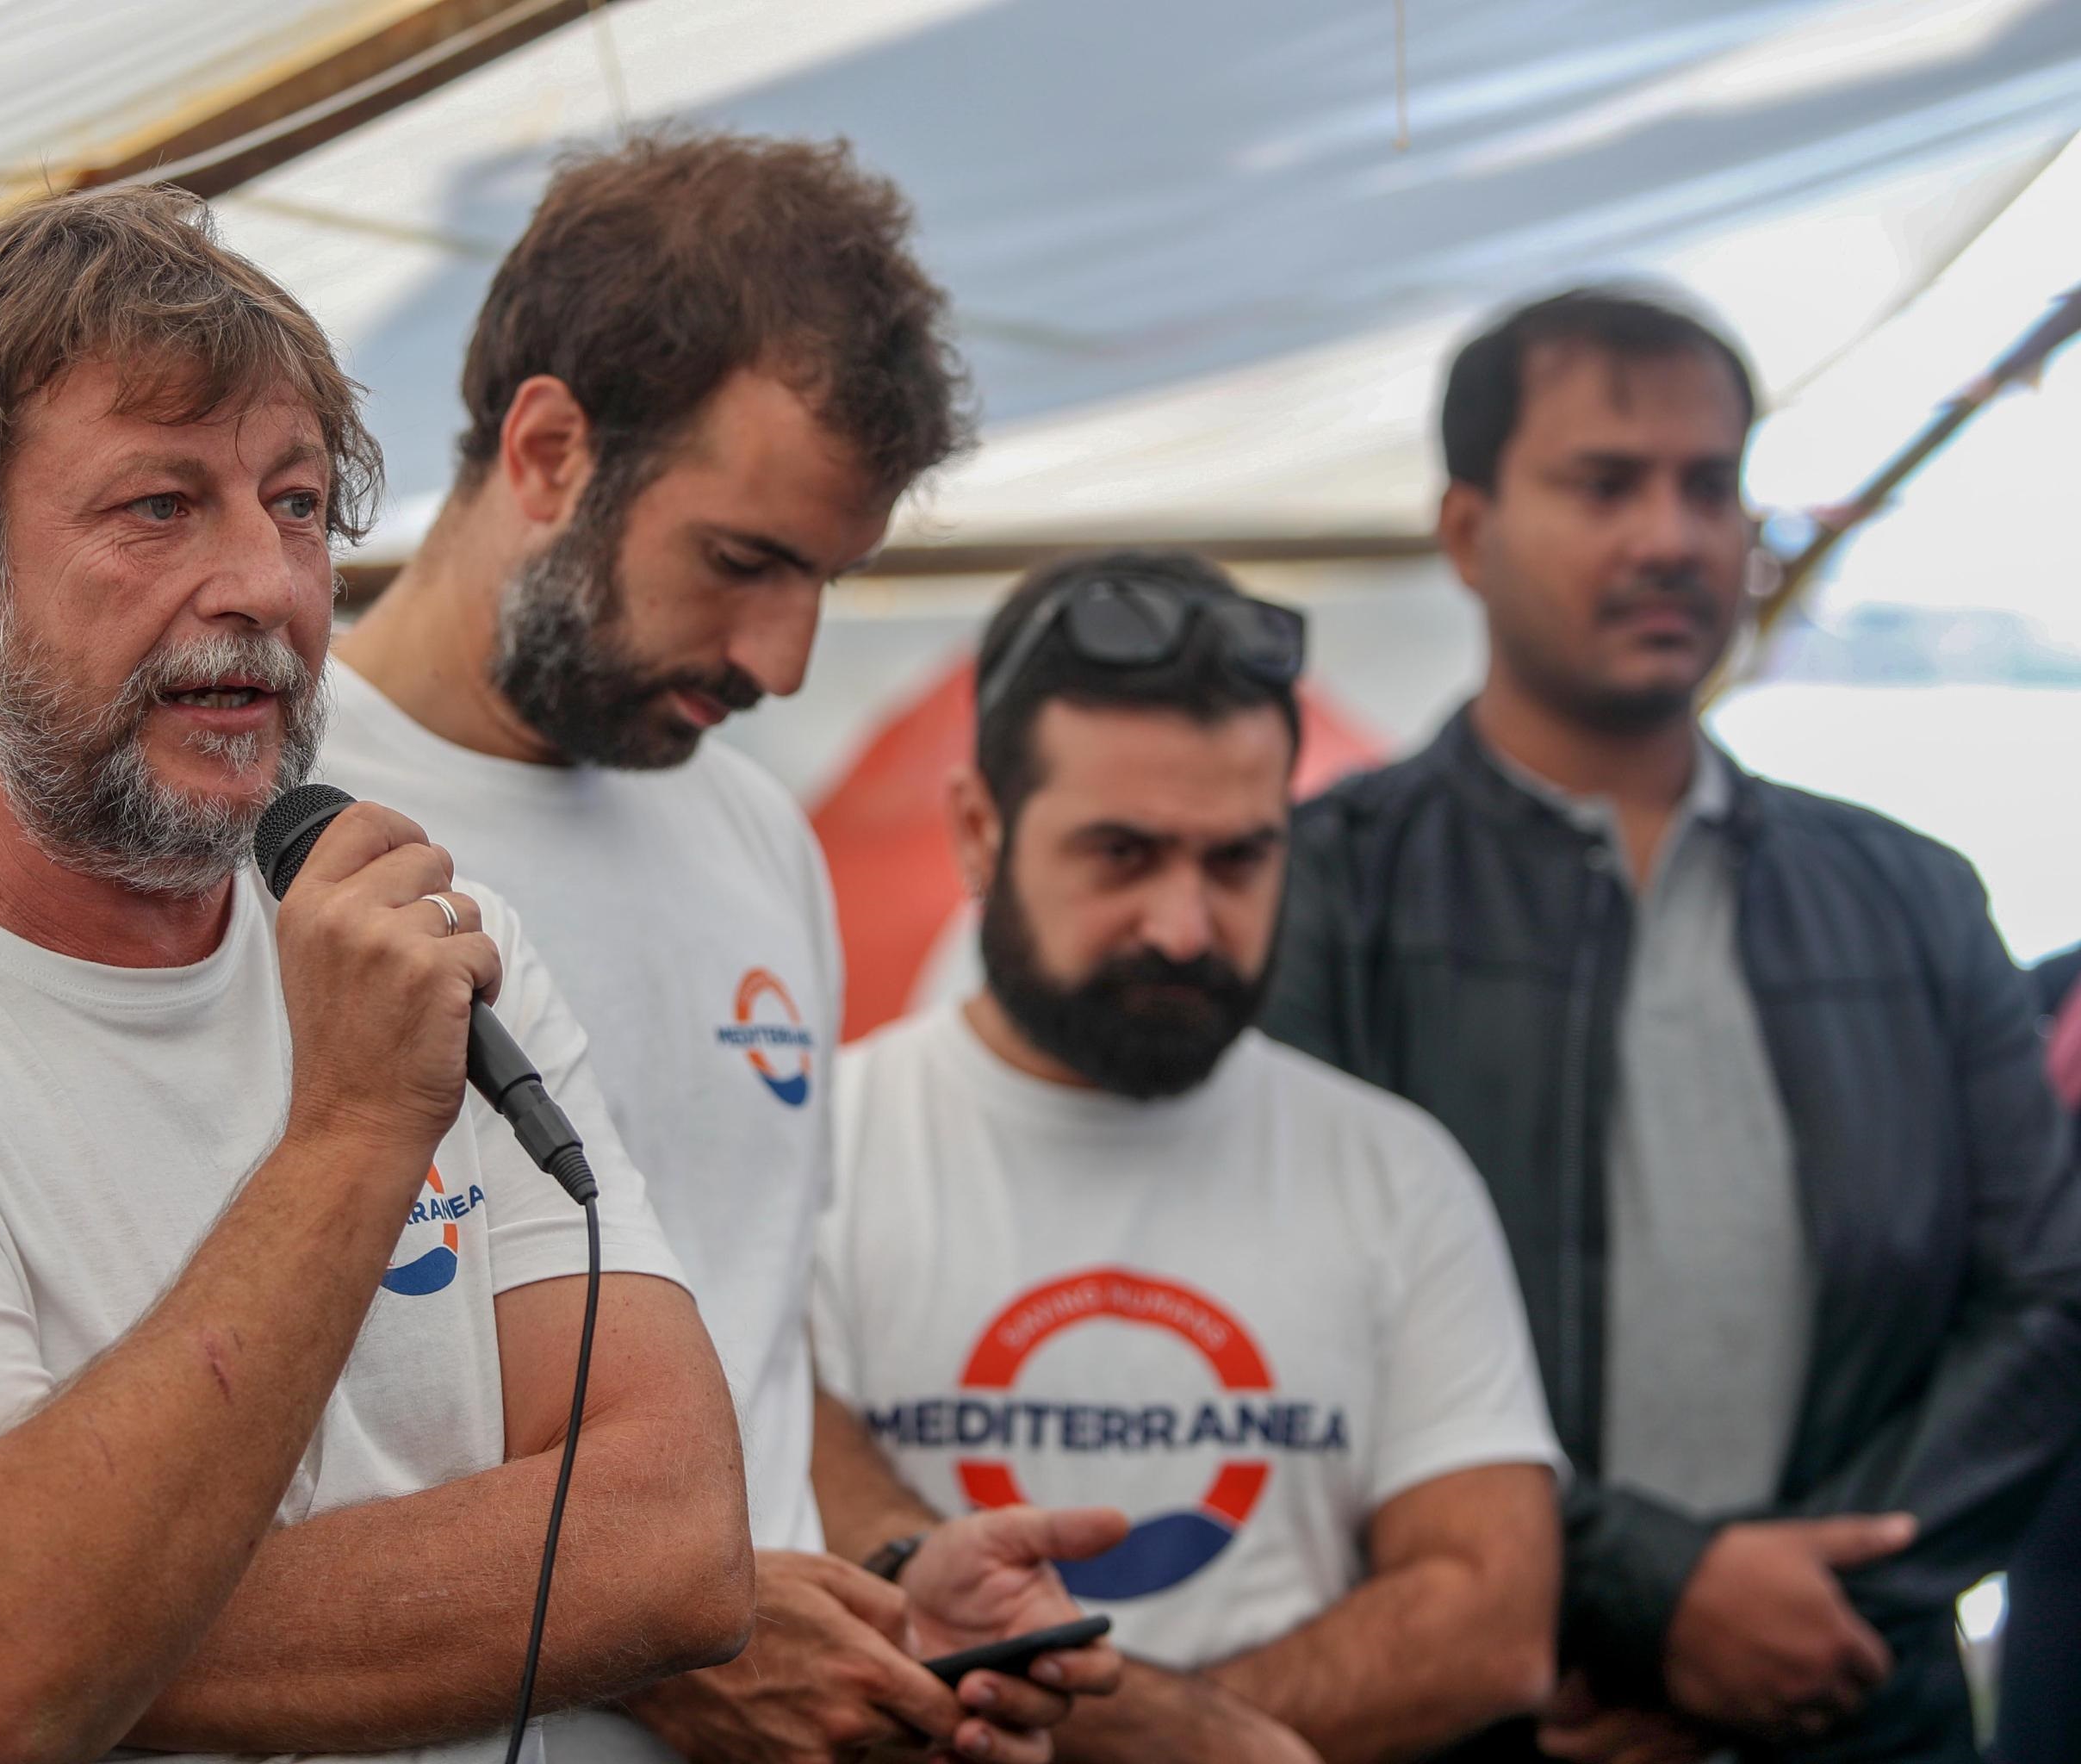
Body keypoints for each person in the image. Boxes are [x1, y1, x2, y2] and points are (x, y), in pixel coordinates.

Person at [0, 187, 755, 1764]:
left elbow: (674, 1544)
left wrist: (36, 1651)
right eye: (158, 506)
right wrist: (350, 1133)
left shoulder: (420, 934)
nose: (267, 587)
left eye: (292, 507)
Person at [322, 130, 1127, 1764]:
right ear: (547, 449)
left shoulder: (756, 836)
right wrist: (665, 1642)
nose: (785, 656)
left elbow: (750, 1350)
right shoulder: (251, 818)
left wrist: (890, 1594)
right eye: (744, 562)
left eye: (825, 579)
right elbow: (191, 1435)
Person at [1264, 287, 2081, 1762]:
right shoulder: (1324, 890)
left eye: (1712, 486)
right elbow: (1296, 1320)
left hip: (1854, 1702)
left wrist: (1795, 1616)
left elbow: (2047, 1303)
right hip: (1483, 1711)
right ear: (1468, 532)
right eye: (1605, 483)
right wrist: (1650, 1603)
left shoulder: (1910, 897)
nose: (1672, 536)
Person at [810, 550, 1567, 1764]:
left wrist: (1054, 1721)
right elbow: (740, 1571)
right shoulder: (816, 1157)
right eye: (1122, 854)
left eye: (1238, 860)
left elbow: (1490, 1620)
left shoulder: (1393, 1171)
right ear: (977, 830)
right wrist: (1186, 1738)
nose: (1184, 925)